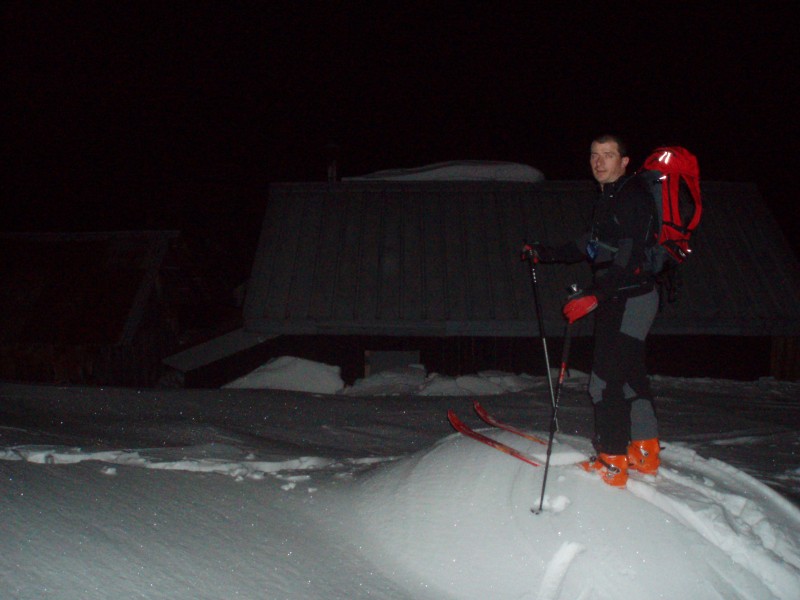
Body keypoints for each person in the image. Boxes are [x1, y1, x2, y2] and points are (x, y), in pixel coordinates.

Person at [531, 134, 661, 488]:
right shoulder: (610, 198)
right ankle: (646, 452)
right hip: (631, 296)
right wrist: (546, 252)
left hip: (626, 297)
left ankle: (612, 460)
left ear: (625, 162)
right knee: (630, 374)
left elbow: (628, 256)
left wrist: (595, 296)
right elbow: (590, 246)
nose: (599, 161)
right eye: (594, 155)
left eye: (608, 155)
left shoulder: (630, 197)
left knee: (605, 382)